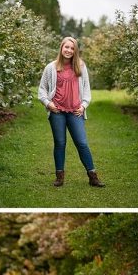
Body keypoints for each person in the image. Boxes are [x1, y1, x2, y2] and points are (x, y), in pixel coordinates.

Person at [38, 36, 105, 188]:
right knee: (60, 143)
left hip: (76, 111)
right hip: (57, 112)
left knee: (82, 143)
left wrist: (84, 105)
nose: (68, 50)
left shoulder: (80, 66)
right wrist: (48, 104)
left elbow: (87, 89)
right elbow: (42, 89)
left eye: (72, 48)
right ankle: (59, 177)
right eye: (66, 47)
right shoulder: (51, 67)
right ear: (61, 48)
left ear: (75, 51)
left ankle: (93, 176)